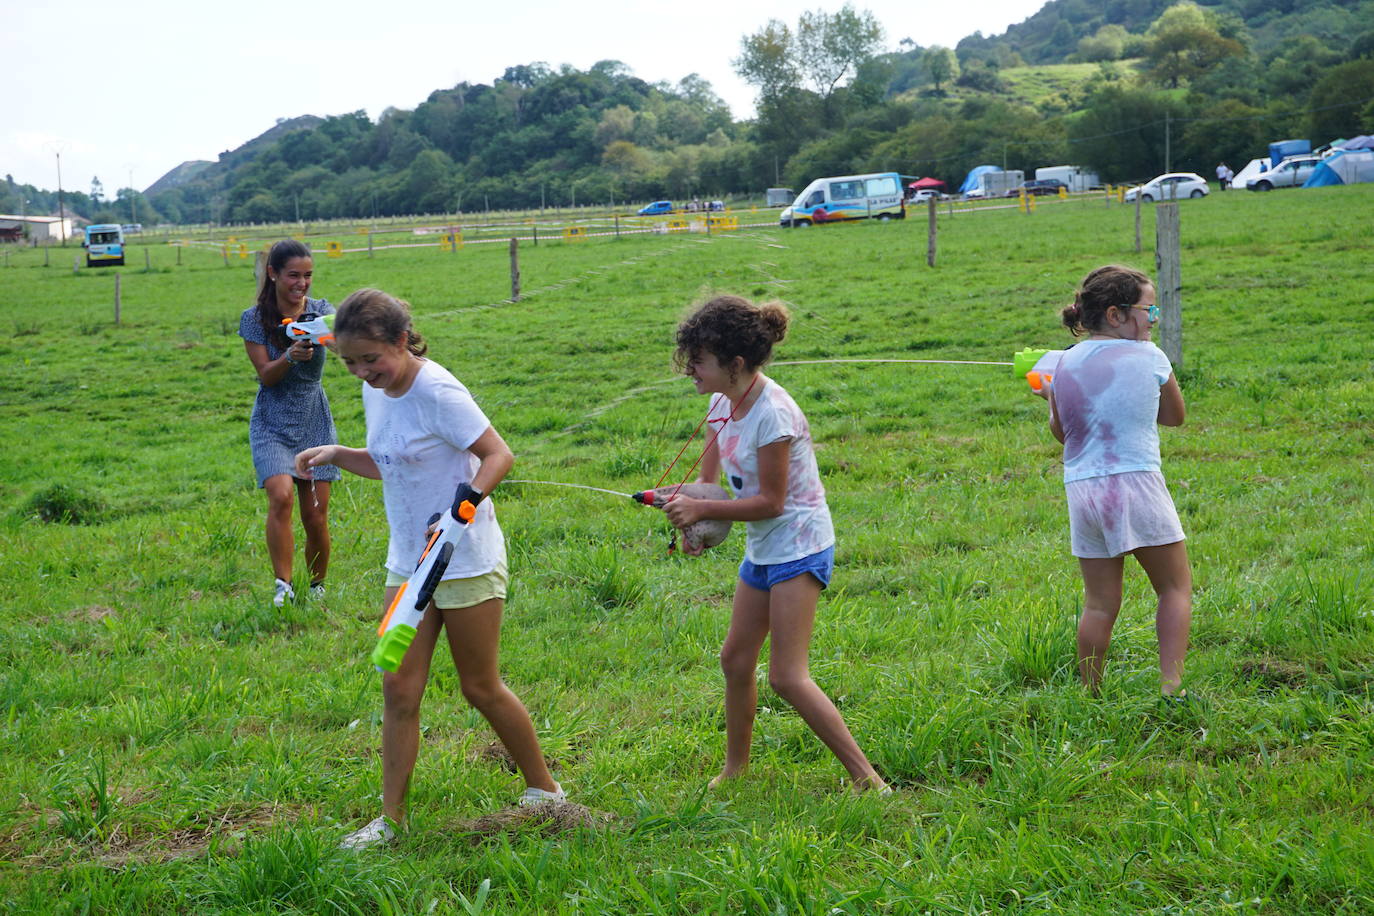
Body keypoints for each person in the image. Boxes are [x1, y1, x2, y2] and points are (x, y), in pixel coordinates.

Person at [294, 288, 563, 850]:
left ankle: (546, 792)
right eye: (350, 363)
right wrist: (340, 455)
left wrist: (460, 511)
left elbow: (499, 455)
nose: (363, 372)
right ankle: (391, 822)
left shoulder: (436, 389)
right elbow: (395, 461)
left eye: (372, 359)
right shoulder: (378, 392)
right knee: (398, 689)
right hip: (407, 564)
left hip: (464, 560)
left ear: (400, 340)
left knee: (479, 687)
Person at [660, 295, 889, 793]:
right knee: (736, 660)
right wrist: (694, 522)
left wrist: (702, 510)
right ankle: (736, 770)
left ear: (735, 365)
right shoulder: (722, 402)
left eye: (699, 361)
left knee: (787, 677)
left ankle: (869, 780)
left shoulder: (774, 416)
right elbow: (711, 483)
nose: (690, 370)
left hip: (799, 545)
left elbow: (771, 502)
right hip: (765, 549)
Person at [1042, 266, 1192, 700]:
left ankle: (1092, 694)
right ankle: (1172, 689)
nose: (1154, 319)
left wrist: (1050, 396)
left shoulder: (1063, 362)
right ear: (1115, 314)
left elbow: (1062, 432)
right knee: (1174, 588)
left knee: (1100, 603)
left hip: (1085, 491)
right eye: (1150, 309)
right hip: (1137, 483)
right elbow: (1175, 417)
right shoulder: (1150, 356)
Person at [239, 240, 339, 607]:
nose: (302, 283)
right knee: (280, 496)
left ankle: (317, 587)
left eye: (308, 275)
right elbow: (266, 376)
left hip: (313, 418)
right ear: (273, 273)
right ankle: (284, 586)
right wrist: (291, 356)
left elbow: (341, 339)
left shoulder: (322, 311)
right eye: (294, 275)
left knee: (315, 515)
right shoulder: (253, 319)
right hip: (272, 420)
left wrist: (331, 333)